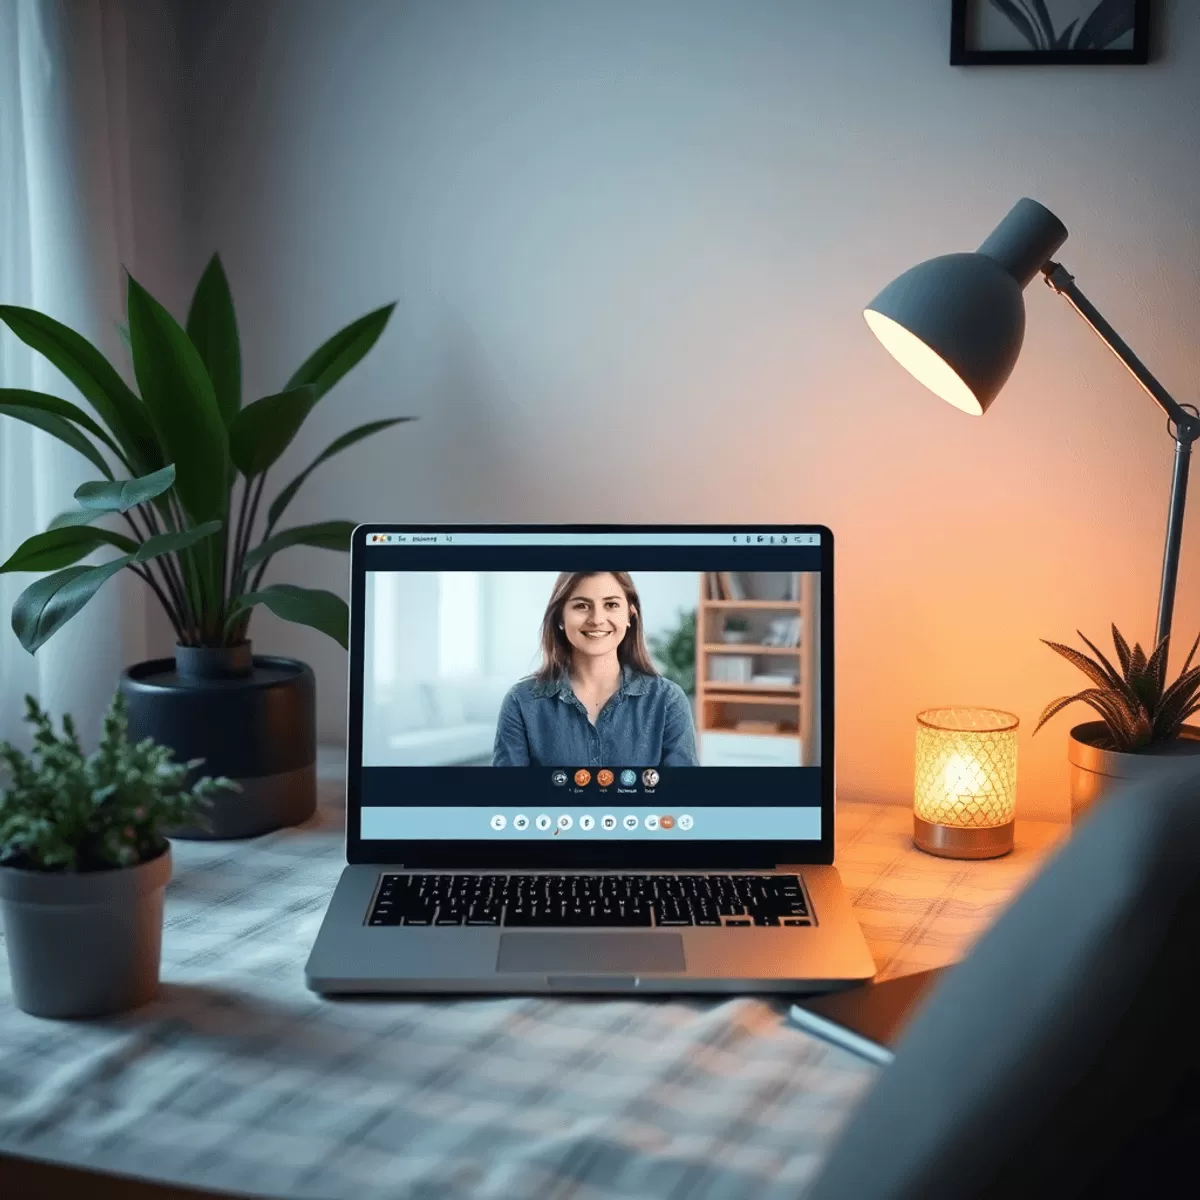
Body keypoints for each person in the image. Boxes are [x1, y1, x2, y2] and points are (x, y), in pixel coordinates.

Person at [492, 571, 699, 768]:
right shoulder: (521, 702)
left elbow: (682, 798)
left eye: (611, 604)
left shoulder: (668, 701)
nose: (597, 619)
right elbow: (506, 800)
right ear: (560, 618)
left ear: (630, 614)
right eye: (582, 606)